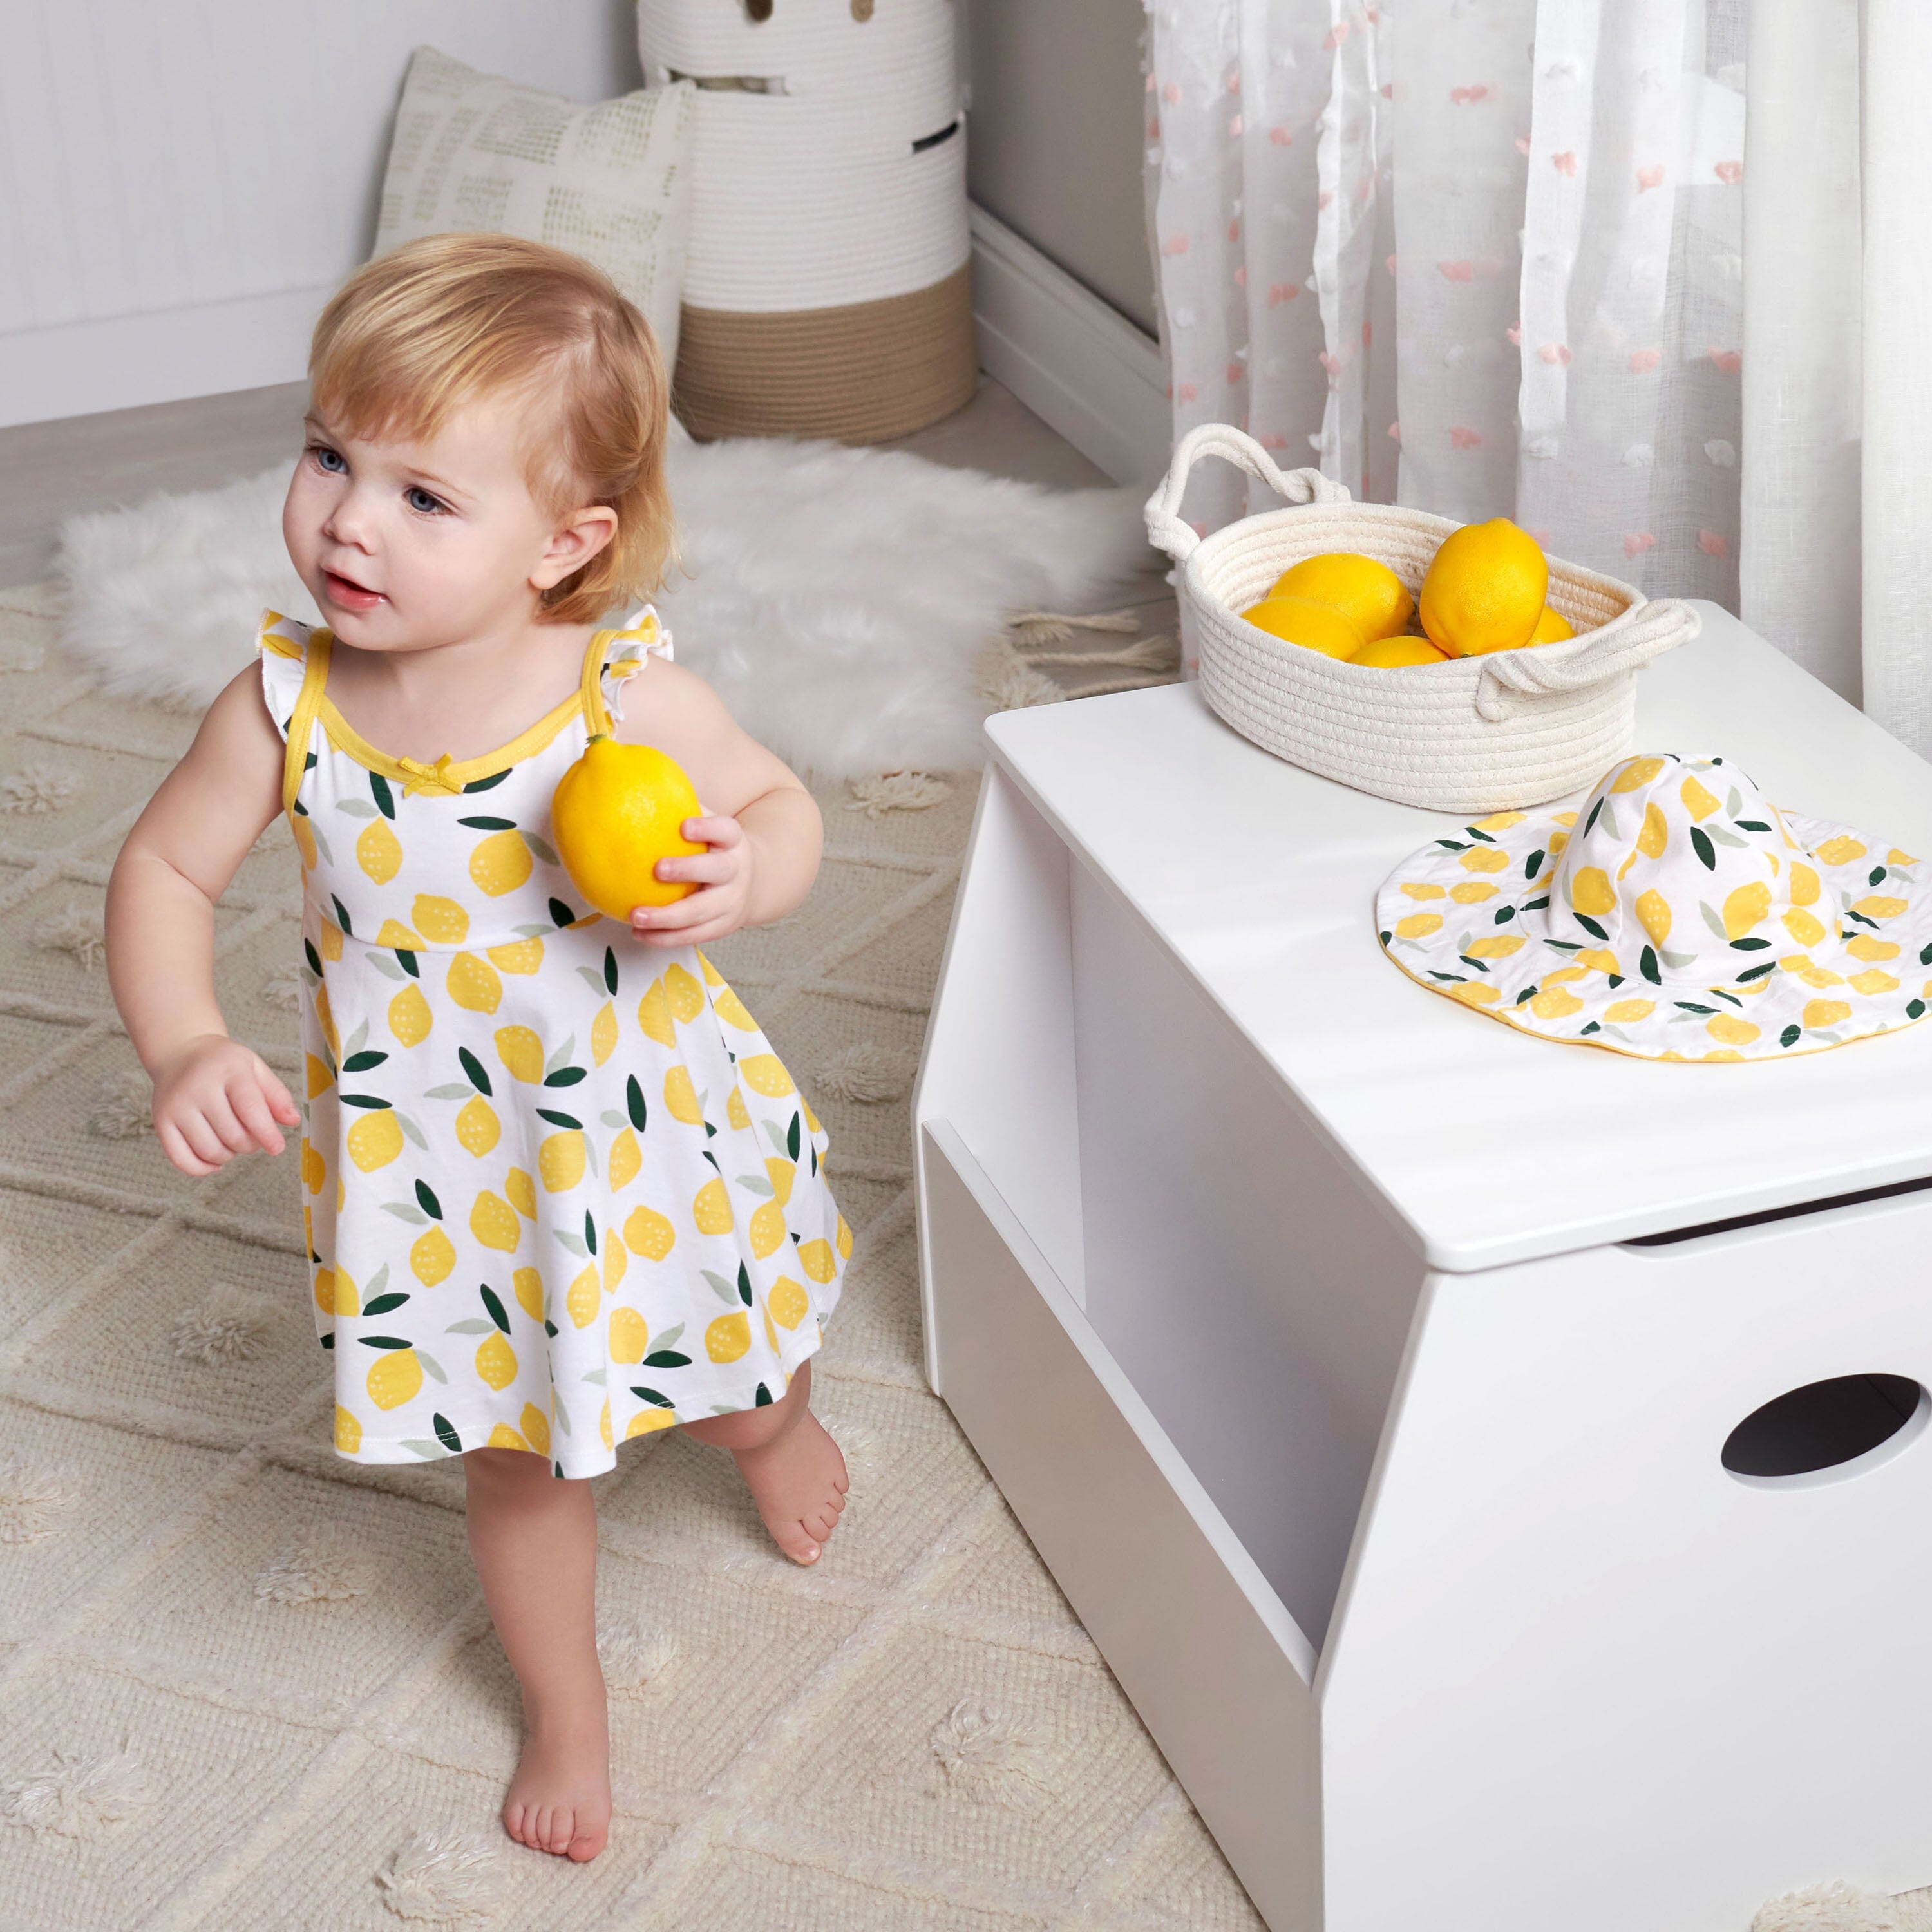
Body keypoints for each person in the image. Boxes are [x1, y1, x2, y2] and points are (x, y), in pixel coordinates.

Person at [104, 233, 851, 1864]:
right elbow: (163, 870)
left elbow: (780, 803)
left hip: (646, 1140)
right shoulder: (285, 706)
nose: (348, 522)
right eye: (328, 457)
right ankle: (566, 1707)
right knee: (517, 1466)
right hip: (450, 1184)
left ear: (565, 545)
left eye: (425, 497)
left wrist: (752, 872)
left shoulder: (618, 698)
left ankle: (778, 1433)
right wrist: (184, 1041)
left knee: (733, 1370)